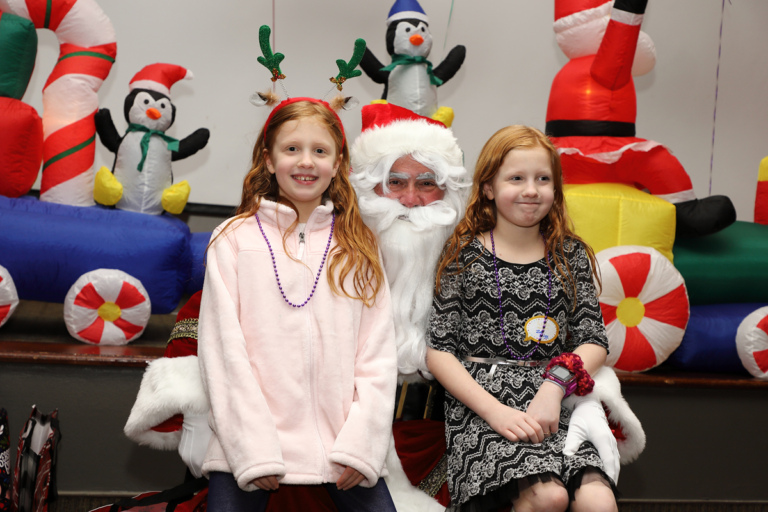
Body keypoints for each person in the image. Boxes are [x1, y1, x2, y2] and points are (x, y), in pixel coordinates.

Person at [197, 97, 398, 511]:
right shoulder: (232, 239)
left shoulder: (359, 245)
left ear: (338, 162)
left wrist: (361, 445)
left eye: (319, 151)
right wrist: (252, 449)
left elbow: (377, 355)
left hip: (342, 446)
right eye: (292, 149)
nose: (306, 161)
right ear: (269, 160)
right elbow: (223, 353)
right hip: (249, 444)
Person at [427, 125, 617, 512]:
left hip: (556, 399)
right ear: (488, 188)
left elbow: (594, 340)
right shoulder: (463, 254)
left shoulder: (570, 255)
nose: (531, 190)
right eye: (517, 178)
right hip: (483, 408)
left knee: (597, 500)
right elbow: (439, 352)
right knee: (549, 497)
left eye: (543, 179)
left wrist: (553, 387)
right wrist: (494, 412)